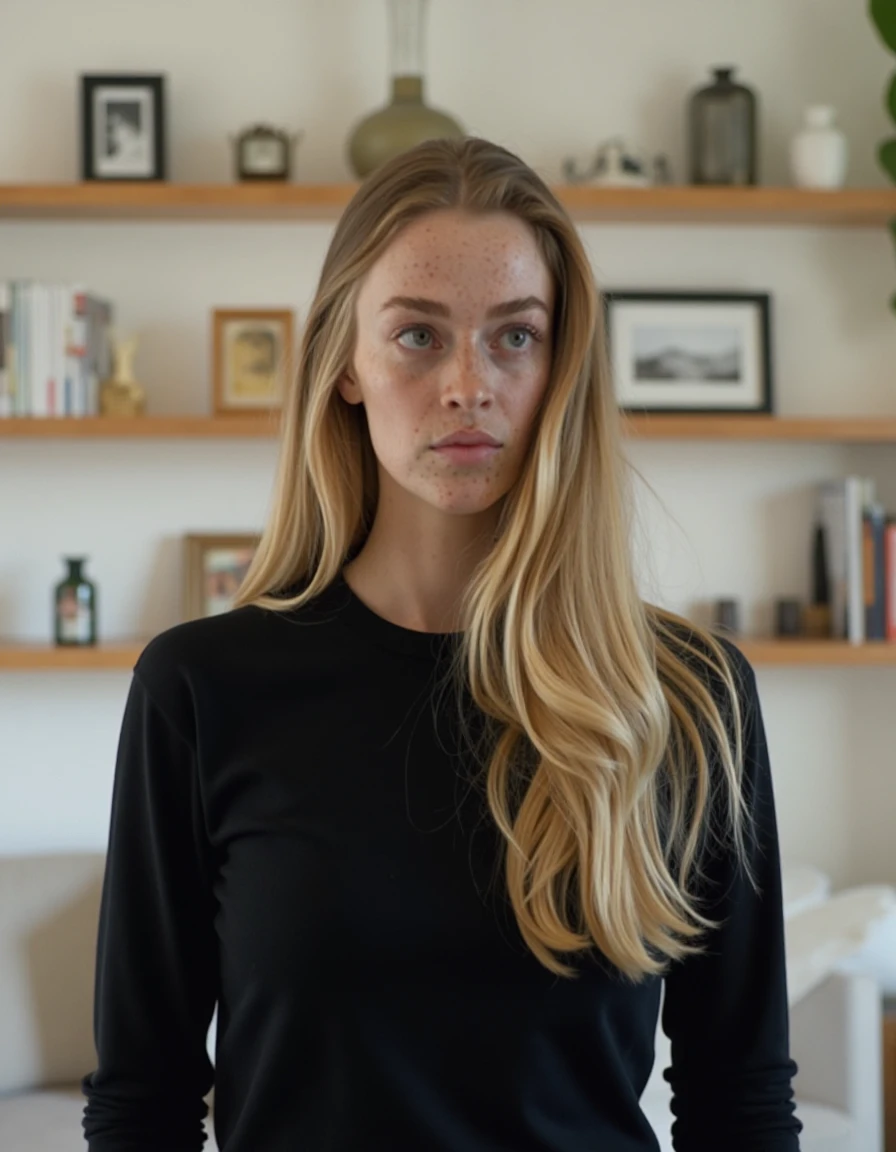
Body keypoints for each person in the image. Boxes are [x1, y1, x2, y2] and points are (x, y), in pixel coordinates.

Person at [81, 136, 802, 1152]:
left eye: (514, 338)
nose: (469, 383)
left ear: (559, 367)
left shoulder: (682, 695)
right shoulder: (201, 690)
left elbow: (740, 1101)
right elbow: (139, 1104)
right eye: (419, 337)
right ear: (344, 364)